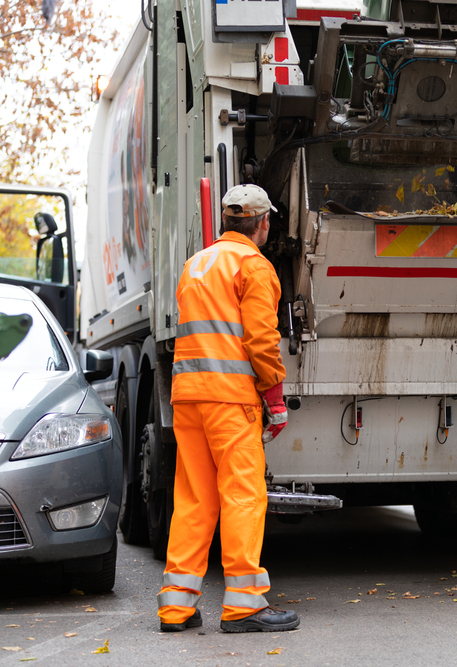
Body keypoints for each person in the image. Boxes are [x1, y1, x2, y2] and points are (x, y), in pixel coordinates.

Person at [156, 184, 298, 633]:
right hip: (229, 400)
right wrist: (274, 399)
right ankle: (244, 606)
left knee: (195, 498)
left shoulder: (196, 264)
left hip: (188, 396)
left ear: (226, 221)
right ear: (262, 223)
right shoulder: (254, 266)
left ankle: (175, 608)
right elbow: (260, 340)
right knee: (242, 495)